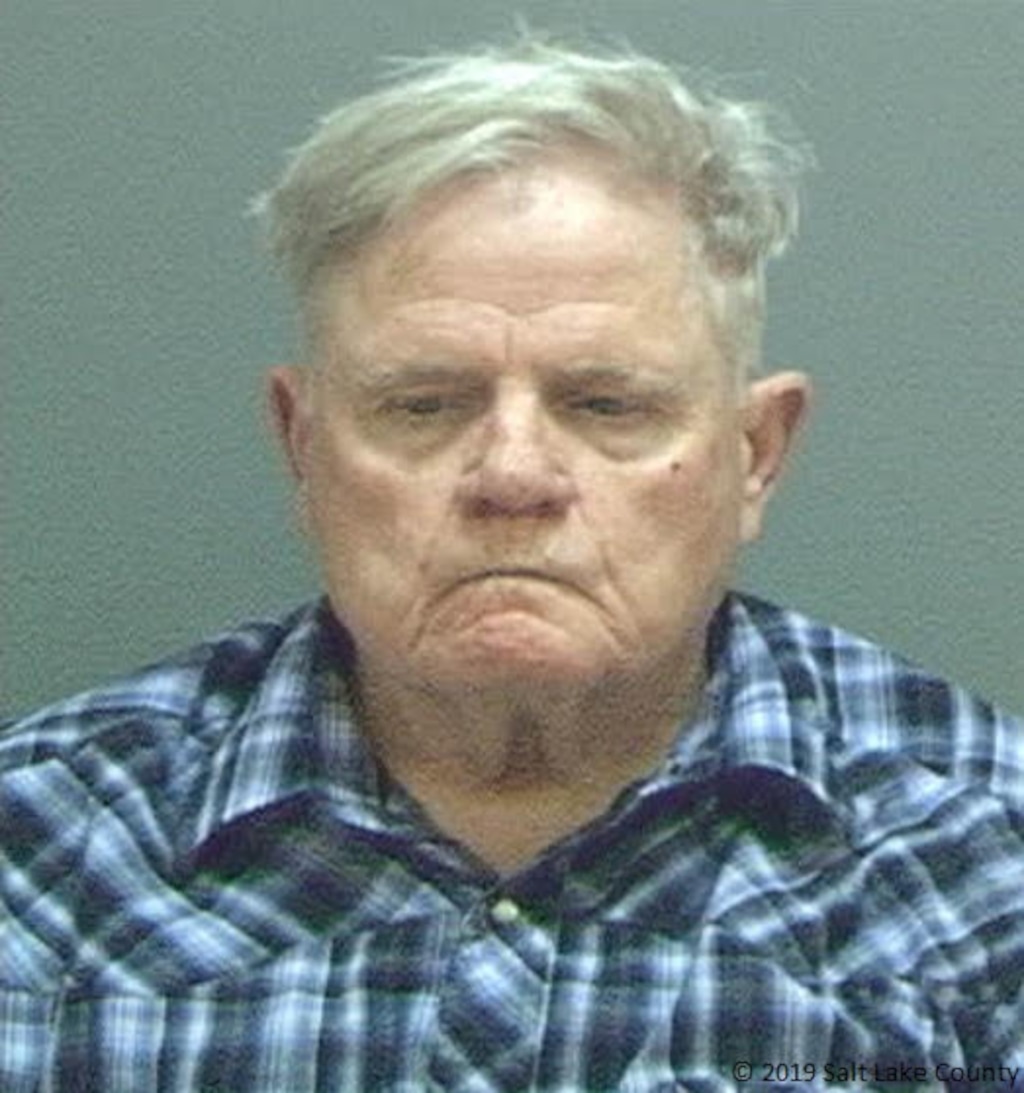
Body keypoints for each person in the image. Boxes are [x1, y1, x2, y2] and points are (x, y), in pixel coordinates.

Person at [2, 34, 1023, 1092]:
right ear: (302, 447)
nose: (513, 474)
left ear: (754, 454)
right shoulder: (41, 856)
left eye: (605, 404)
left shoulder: (984, 856)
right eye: (423, 405)